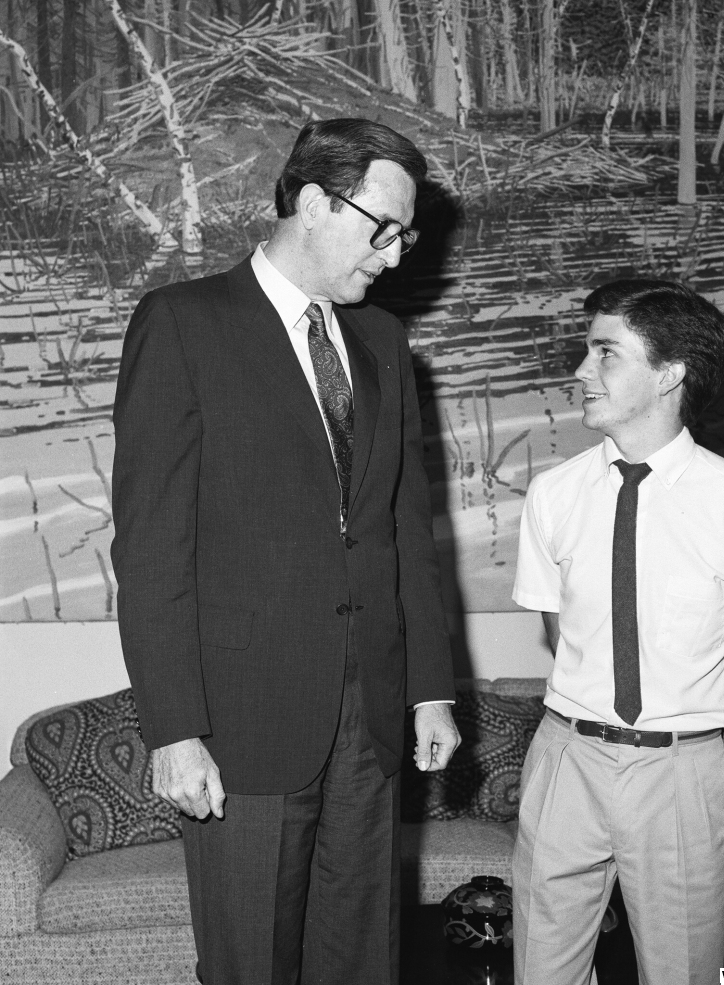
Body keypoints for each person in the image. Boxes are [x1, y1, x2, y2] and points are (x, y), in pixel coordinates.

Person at [111, 118, 460, 985]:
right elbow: (153, 548)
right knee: (250, 965)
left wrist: (429, 690)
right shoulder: (184, 323)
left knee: (363, 962)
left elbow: (404, 534)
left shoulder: (383, 342)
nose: (394, 255)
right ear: (312, 202)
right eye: (384, 228)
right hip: (242, 722)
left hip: (371, 720)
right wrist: (175, 728)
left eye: (406, 234)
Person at [511, 279, 724, 985]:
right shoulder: (553, 494)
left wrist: (691, 754)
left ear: (669, 373)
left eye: (605, 353)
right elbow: (561, 634)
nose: (581, 370)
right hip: (565, 760)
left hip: (681, 773)